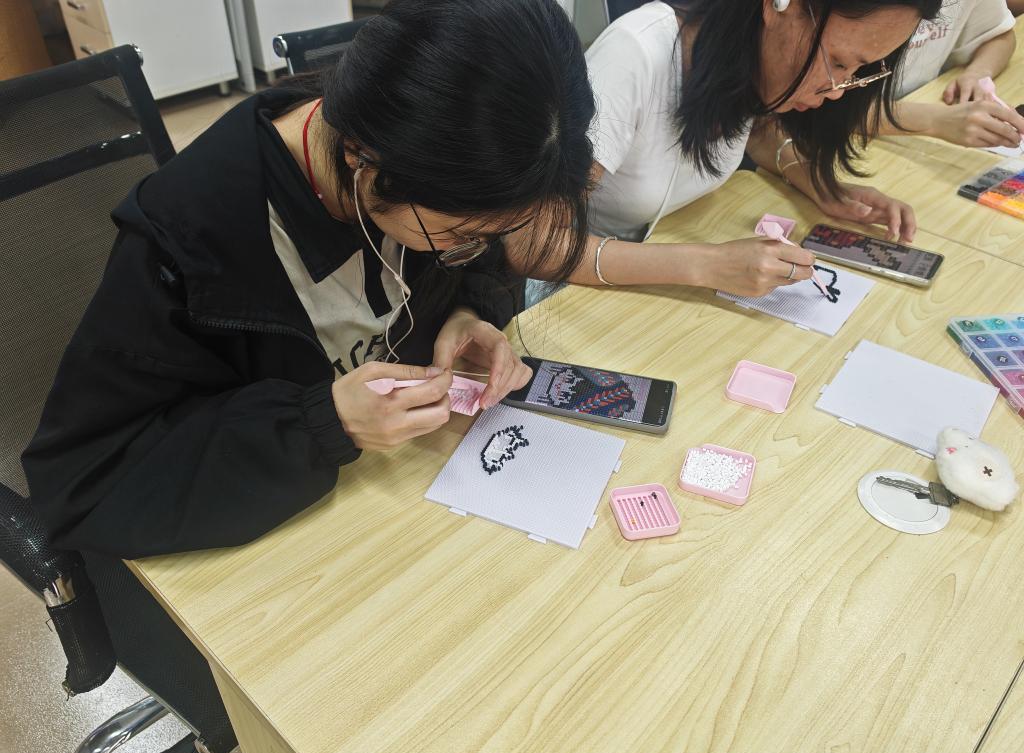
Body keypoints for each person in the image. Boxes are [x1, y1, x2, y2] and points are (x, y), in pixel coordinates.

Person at [22, 0, 595, 558]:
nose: (472, 250)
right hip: (285, 545)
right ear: (361, 157)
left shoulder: (432, 166)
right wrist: (323, 423)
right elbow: (83, 485)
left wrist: (467, 313)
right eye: (458, 234)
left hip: (408, 494)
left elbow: (474, 262)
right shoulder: (185, 240)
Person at [514, 0, 943, 299]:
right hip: (566, 293)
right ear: (779, 5)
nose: (837, 91)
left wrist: (821, 185)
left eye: (861, 71)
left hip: (649, 272)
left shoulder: (742, 59)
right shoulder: (635, 56)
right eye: (840, 62)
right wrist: (706, 265)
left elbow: (755, 133)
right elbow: (531, 242)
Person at [878, 0, 1024, 148]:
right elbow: (860, 107)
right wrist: (936, 119)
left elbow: (999, 35)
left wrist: (977, 72)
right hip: (876, 132)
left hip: (923, 104)